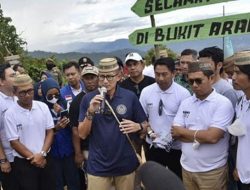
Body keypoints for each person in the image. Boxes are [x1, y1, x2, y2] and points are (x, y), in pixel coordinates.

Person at [78, 58, 147, 190]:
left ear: (119, 76)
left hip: (125, 164)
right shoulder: (88, 99)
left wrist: (138, 126)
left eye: (109, 76)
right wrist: (90, 112)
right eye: (102, 76)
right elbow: (82, 134)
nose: (105, 81)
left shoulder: (129, 96)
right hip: (98, 166)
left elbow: (145, 124)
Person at [171, 62, 234, 190]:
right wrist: (202, 135)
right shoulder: (186, 103)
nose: (194, 85)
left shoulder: (222, 103)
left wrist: (185, 133)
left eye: (199, 81)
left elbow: (212, 137)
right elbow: (175, 133)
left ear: (211, 79)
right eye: (191, 81)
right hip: (187, 168)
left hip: (212, 171)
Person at [140, 57, 190, 178]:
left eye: (164, 74)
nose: (160, 78)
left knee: (177, 179)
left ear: (173, 73)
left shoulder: (183, 94)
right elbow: (142, 117)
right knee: (156, 180)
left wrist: (174, 136)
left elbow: (187, 121)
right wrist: (150, 132)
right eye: (157, 74)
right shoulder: (147, 92)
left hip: (176, 148)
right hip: (154, 145)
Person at [4, 74, 55, 190]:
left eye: (30, 91)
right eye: (22, 92)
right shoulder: (10, 114)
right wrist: (34, 158)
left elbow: (50, 132)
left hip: (45, 158)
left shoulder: (42, 107)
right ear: (15, 92)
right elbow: (14, 142)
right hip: (24, 163)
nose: (27, 95)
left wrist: (42, 154)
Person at [41, 78, 80, 190]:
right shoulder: (41, 108)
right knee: (56, 181)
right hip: (52, 151)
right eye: (50, 96)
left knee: (73, 179)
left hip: (68, 149)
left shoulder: (65, 104)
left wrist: (63, 112)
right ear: (44, 95)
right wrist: (56, 128)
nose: (54, 98)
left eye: (56, 95)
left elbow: (74, 126)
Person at [69, 66, 99, 190]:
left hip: (106, 147)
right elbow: (75, 130)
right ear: (82, 79)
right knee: (94, 181)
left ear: (98, 78)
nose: (90, 81)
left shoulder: (105, 95)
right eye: (87, 78)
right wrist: (78, 153)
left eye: (92, 77)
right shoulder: (77, 102)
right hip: (88, 148)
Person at [231, 50, 250, 190]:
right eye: (233, 72)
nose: (233, 77)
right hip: (242, 175)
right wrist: (238, 167)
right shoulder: (241, 101)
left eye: (238, 73)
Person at [0, 63, 19, 190]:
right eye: (12, 75)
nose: (16, 77)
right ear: (2, 81)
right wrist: (2, 160)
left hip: (23, 156)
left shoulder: (18, 97)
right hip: (9, 158)